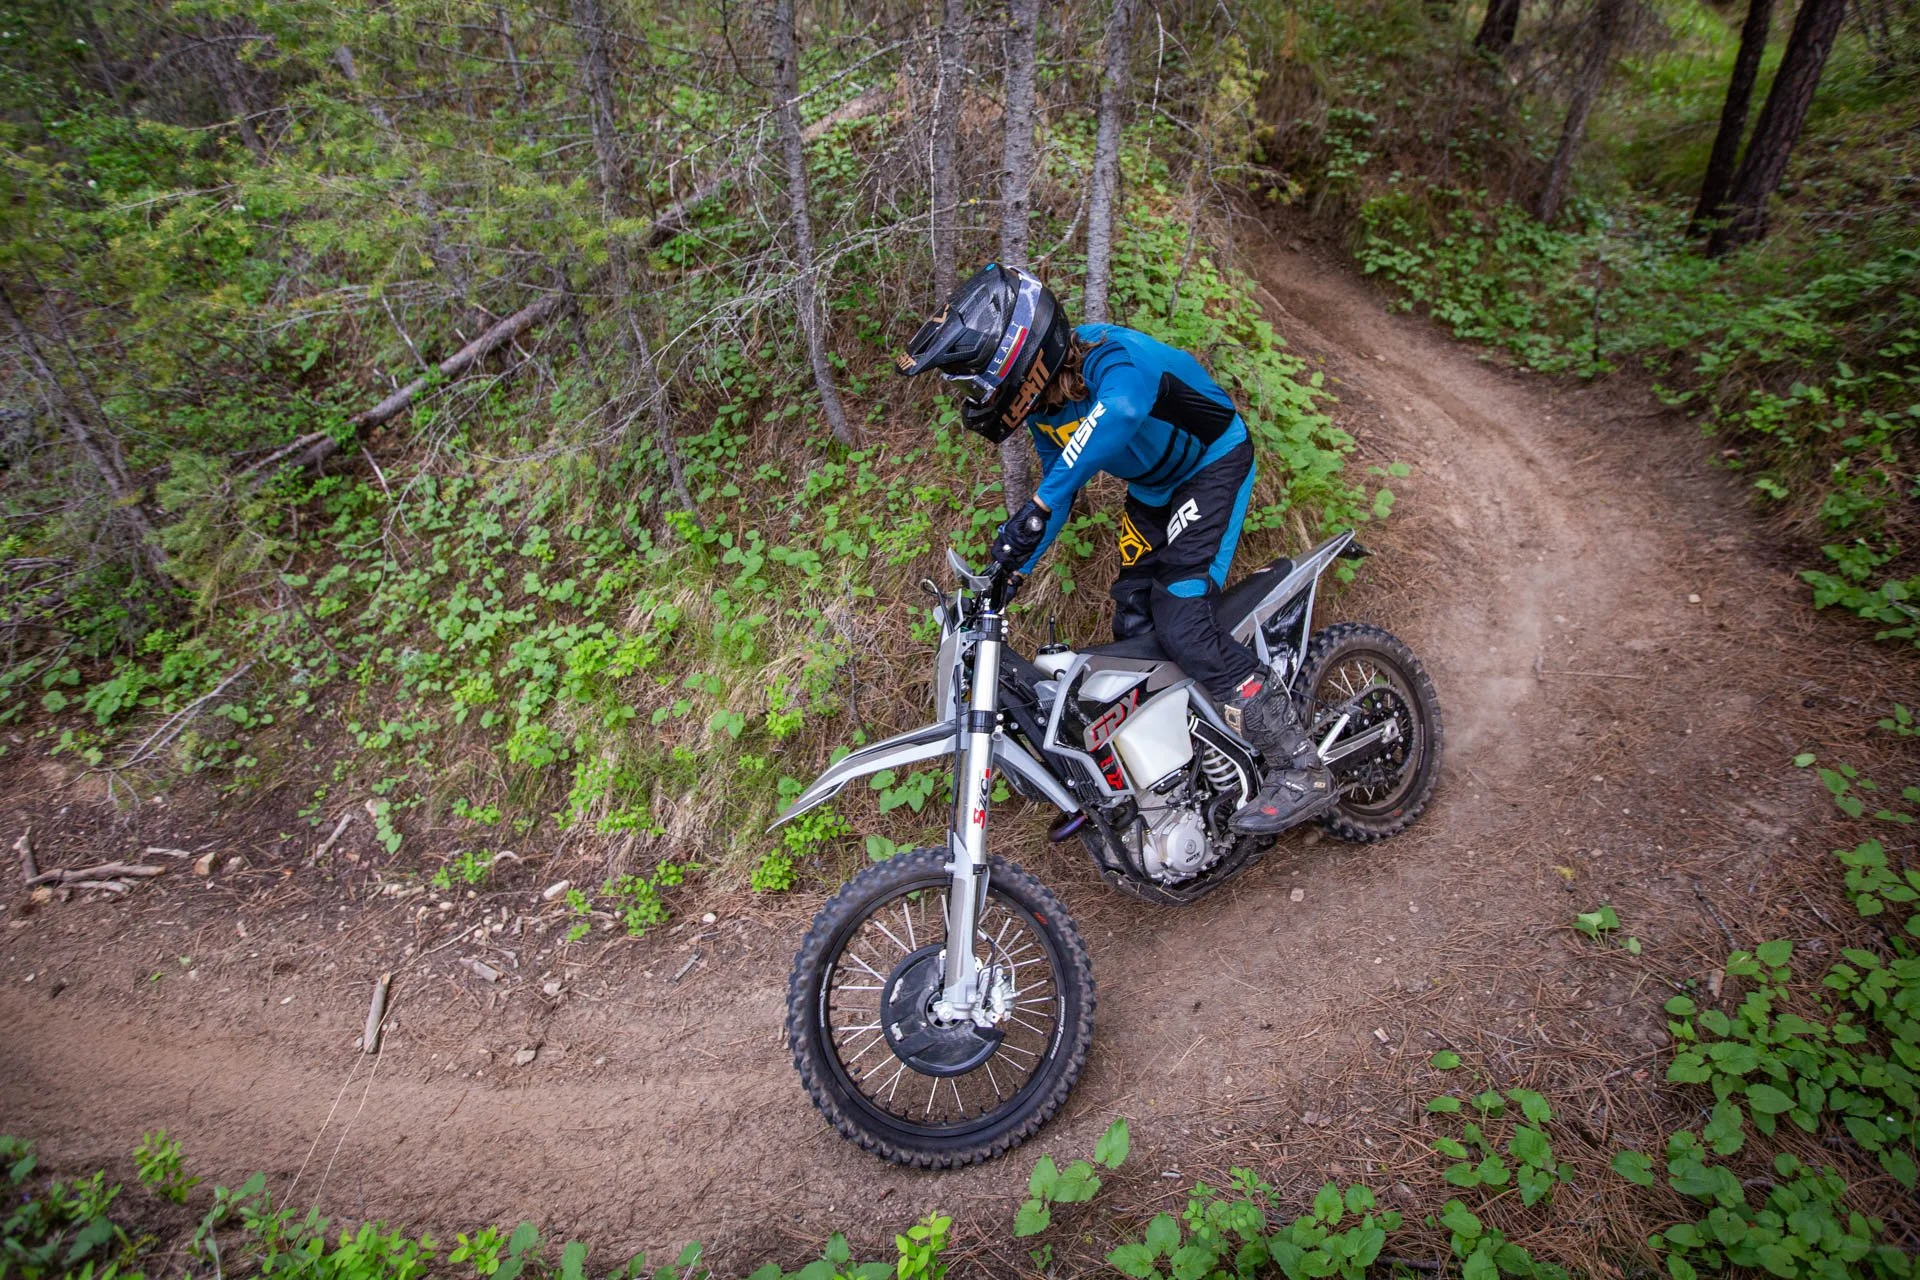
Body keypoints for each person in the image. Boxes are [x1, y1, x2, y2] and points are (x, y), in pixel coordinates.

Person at [894, 263, 1333, 835]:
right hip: (1154, 491)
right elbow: (1062, 488)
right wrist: (1009, 573)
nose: (977, 395)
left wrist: (1041, 503)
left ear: (1017, 359)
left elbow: (1120, 414)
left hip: (1212, 466)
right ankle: (1188, 768)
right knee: (1133, 627)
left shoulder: (1113, 356)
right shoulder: (1046, 410)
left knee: (1182, 620)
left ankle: (1300, 766)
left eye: (978, 380)